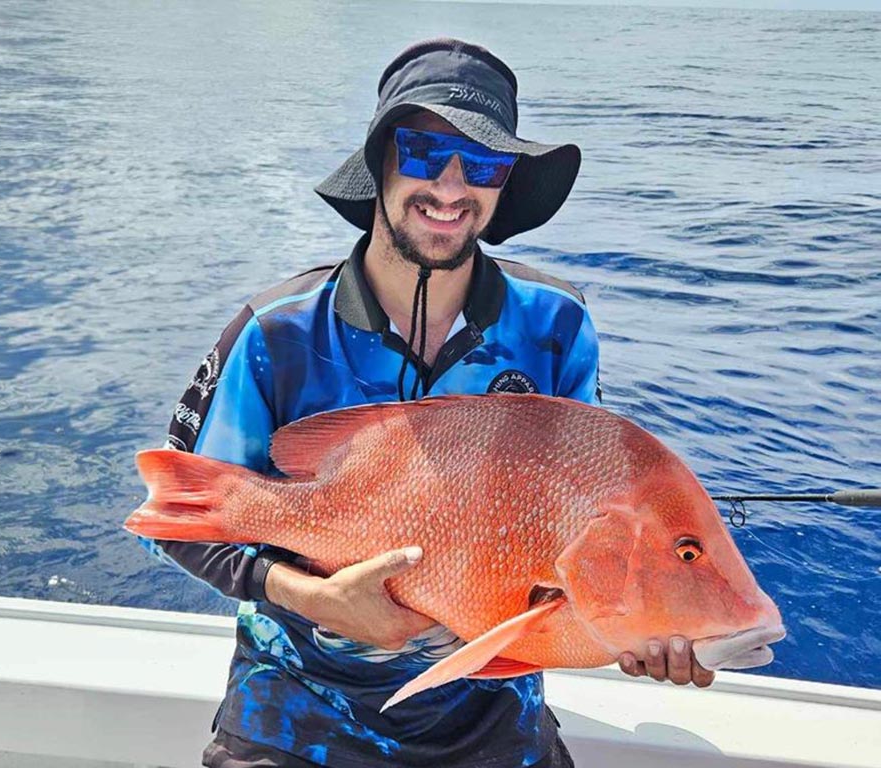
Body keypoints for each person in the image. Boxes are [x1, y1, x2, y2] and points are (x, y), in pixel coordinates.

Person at [139, 38, 714, 768]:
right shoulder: (276, 332)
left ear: (503, 185)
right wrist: (312, 597)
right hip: (294, 705)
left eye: (482, 164)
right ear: (380, 161)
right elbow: (176, 515)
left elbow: (594, 520)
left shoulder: (555, 327)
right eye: (421, 152)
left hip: (492, 716)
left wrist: (640, 620)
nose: (449, 187)